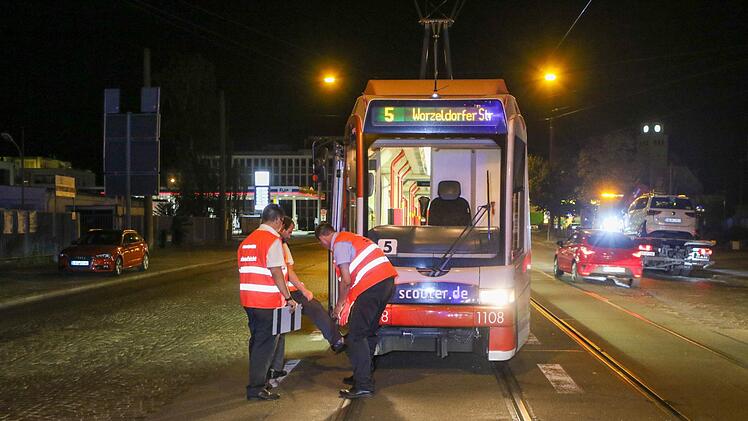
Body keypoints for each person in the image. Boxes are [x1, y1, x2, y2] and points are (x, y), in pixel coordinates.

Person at [314, 222, 398, 399]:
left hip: (372, 286)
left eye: (321, 244)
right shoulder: (352, 238)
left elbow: (346, 279)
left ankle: (363, 385)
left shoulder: (339, 244)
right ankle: (363, 375)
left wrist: (339, 306)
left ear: (323, 238)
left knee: (356, 335)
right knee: (369, 332)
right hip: (385, 283)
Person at [270, 217, 346, 378]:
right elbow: (287, 272)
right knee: (313, 308)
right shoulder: (276, 244)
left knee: (280, 329)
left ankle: (275, 367)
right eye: (289, 231)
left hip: (278, 292)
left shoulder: (280, 244)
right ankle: (336, 340)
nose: (290, 235)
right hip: (285, 292)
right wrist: (303, 291)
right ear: (281, 227)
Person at [239, 204, 298, 401]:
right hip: (267, 302)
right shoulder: (272, 241)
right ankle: (256, 388)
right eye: (282, 222)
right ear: (278, 220)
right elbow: (276, 273)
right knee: (265, 346)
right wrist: (288, 298)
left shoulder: (247, 241)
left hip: (249, 301)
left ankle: (256, 383)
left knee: (256, 343)